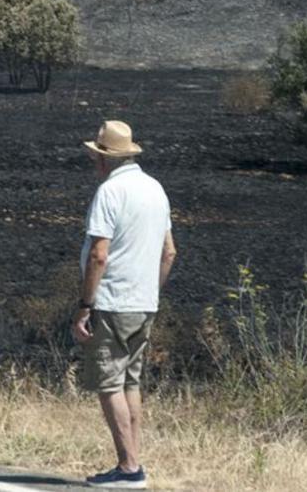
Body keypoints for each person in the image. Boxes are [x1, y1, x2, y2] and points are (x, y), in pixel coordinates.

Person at [73, 120, 177, 490]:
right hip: (144, 302)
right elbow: (169, 252)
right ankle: (133, 463)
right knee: (131, 382)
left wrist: (85, 305)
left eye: (95, 156)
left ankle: (129, 467)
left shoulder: (110, 191)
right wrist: (152, 291)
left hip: (113, 302)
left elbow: (99, 255)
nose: (93, 163)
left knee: (109, 383)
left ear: (105, 159)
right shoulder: (156, 189)